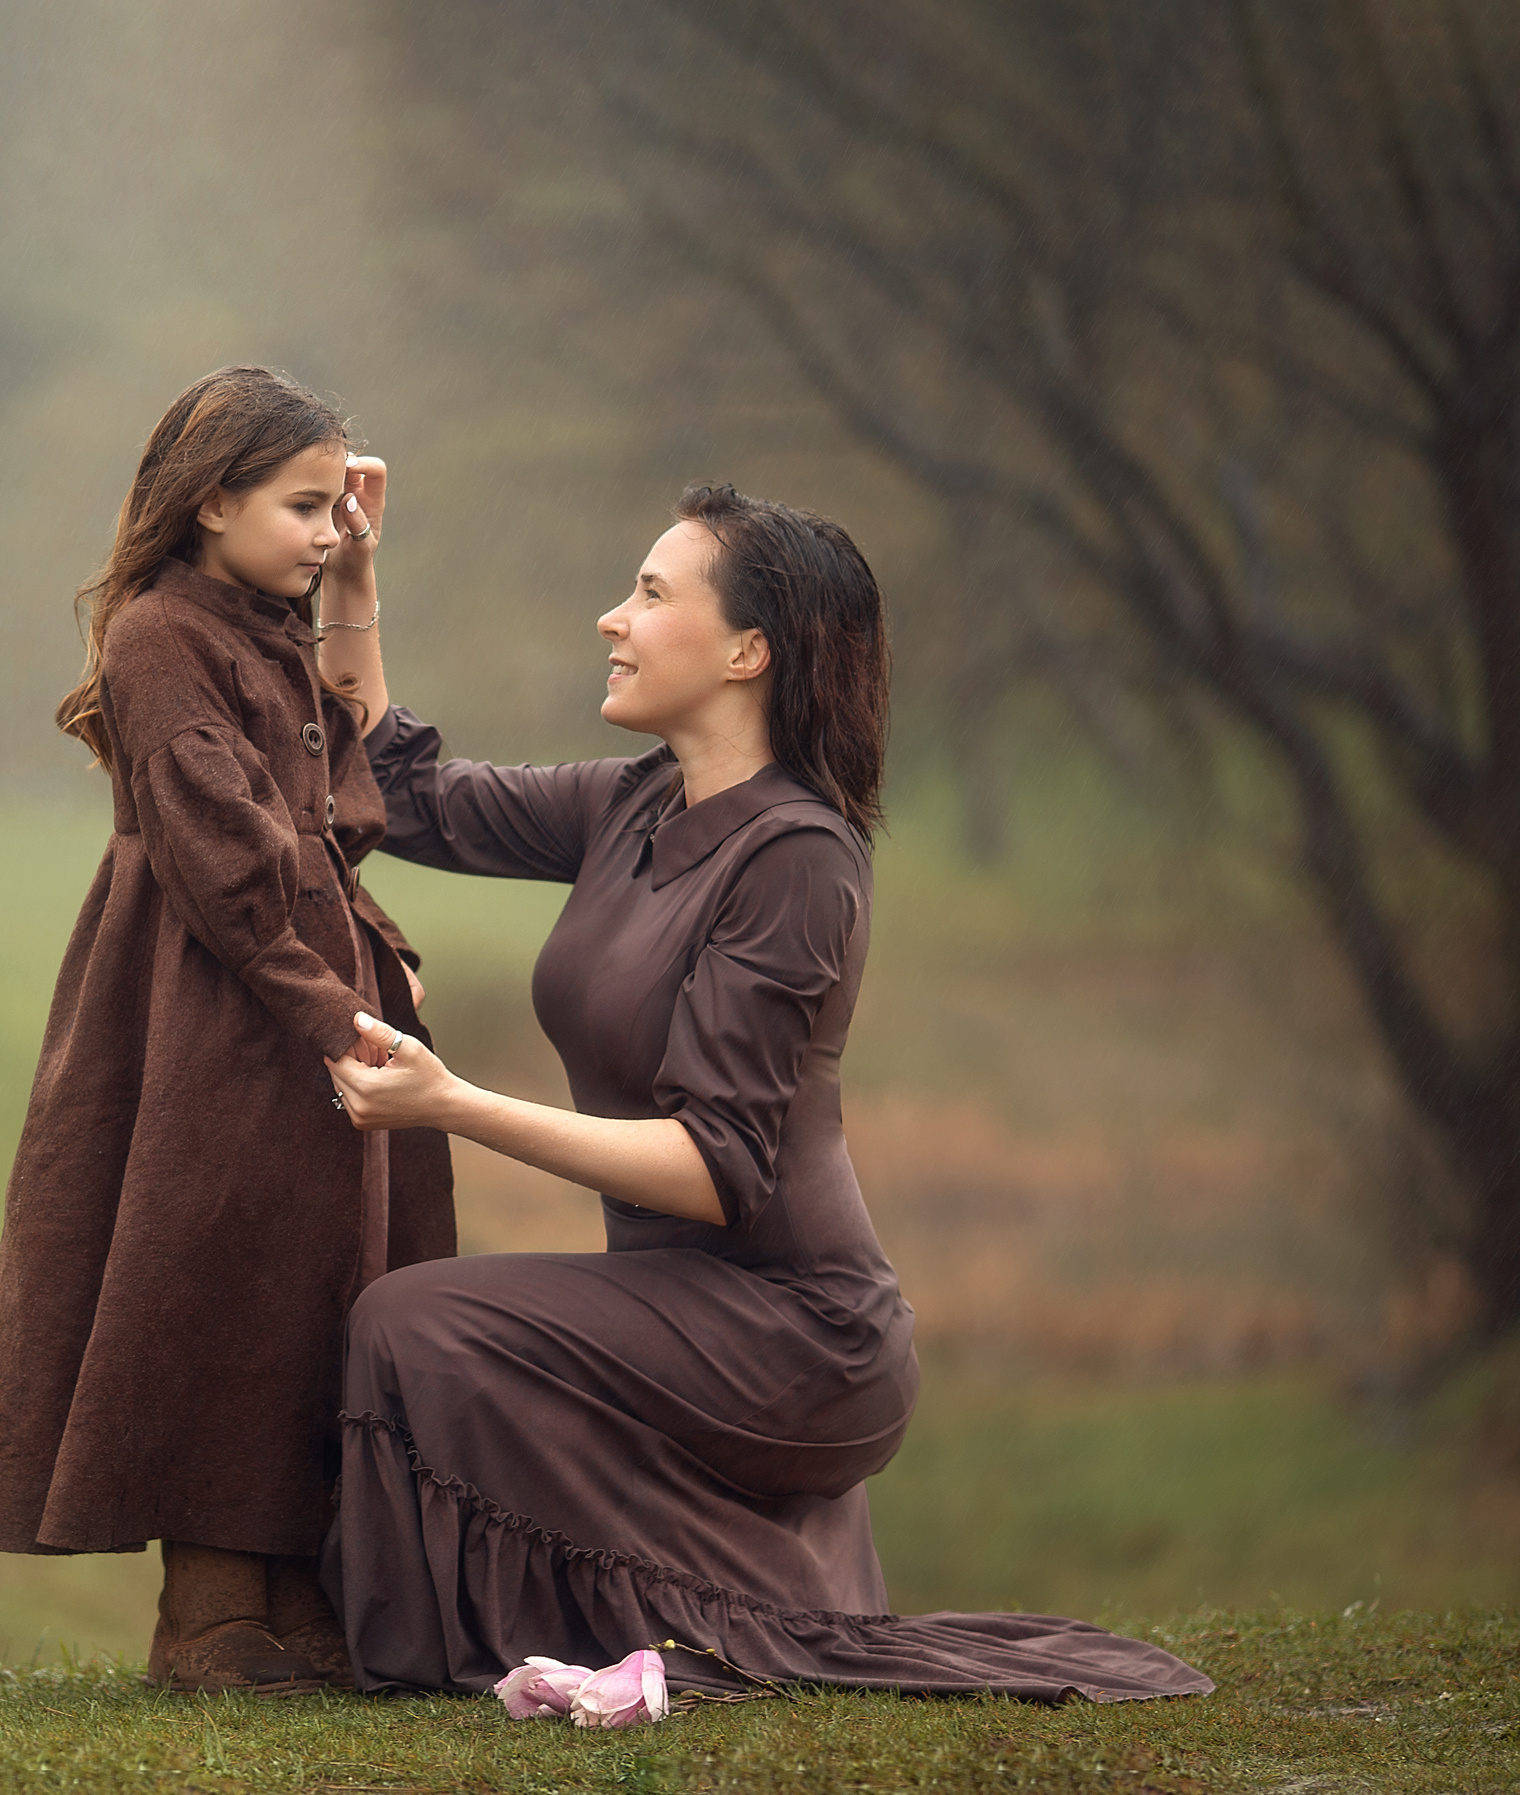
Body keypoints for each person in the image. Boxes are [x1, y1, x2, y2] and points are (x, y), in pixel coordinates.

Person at [318, 483, 1211, 1703]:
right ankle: (725, 1605)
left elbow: (715, 1167)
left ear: (748, 651)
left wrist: (456, 1104)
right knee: (421, 1320)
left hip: (797, 1329)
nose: (609, 619)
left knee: (413, 1323)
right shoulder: (632, 803)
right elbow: (401, 793)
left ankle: (644, 1630)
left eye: (647, 593)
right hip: (676, 1299)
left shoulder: (795, 854)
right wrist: (354, 588)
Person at [0, 366, 456, 1694]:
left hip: (303, 983)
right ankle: (210, 1617)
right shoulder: (161, 635)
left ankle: (302, 1605)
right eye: (302, 505)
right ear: (210, 499)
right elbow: (222, 860)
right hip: (213, 1003)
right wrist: (330, 1013)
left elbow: (355, 773)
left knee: (316, 1289)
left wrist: (353, 582)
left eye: (333, 508)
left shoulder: (271, 624)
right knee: (217, 1283)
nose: (323, 528)